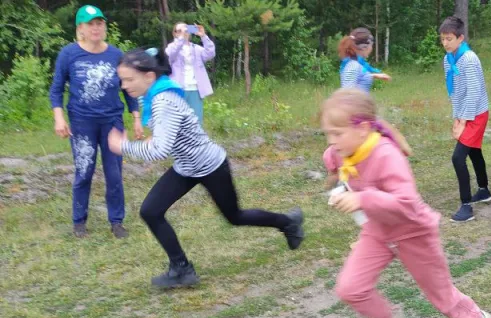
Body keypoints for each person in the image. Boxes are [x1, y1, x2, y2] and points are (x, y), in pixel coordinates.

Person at [107, 48, 304, 288]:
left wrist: (122, 146)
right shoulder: (152, 93)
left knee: (235, 216)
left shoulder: (163, 100)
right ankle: (181, 268)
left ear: (149, 76)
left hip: (210, 165)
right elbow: (167, 133)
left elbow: (159, 151)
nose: (124, 85)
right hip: (186, 167)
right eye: (122, 80)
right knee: (151, 211)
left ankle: (288, 223)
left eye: (129, 79)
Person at [320, 88, 491, 318]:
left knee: (443, 298)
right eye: (328, 134)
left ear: (363, 129)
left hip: (414, 233)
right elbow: (331, 161)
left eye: (337, 133)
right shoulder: (340, 150)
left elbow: (406, 202)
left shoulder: (386, 155)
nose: (332, 141)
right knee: (349, 287)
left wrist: (362, 198)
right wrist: (336, 184)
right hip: (379, 231)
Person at [49, 5, 141, 239]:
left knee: (114, 174)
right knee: (84, 172)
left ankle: (117, 221)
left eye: (99, 23)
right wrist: (59, 118)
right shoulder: (69, 54)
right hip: (82, 123)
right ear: (80, 28)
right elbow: (56, 89)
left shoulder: (116, 55)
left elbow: (128, 88)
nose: (95, 28)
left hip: (112, 122)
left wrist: (136, 118)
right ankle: (79, 222)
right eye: (90, 24)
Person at [439, 16, 491, 223]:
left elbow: (474, 93)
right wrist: (456, 118)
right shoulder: (448, 59)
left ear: (460, 38)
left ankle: (466, 206)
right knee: (473, 151)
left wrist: (463, 121)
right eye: (442, 39)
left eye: (449, 39)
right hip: (463, 113)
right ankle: (484, 190)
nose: (445, 43)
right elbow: (453, 91)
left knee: (458, 157)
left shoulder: (469, 58)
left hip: (477, 113)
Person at [166, 22, 216, 124]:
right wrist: (181, 39)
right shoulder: (171, 47)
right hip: (178, 89)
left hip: (195, 89)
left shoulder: (196, 48)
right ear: (174, 34)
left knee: (196, 121)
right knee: (177, 121)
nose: (183, 33)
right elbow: (171, 55)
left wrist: (203, 36)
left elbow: (210, 53)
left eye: (185, 30)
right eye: (179, 31)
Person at [338, 28, 392, 93]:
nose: (371, 49)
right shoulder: (353, 65)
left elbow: (359, 77)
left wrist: (374, 75)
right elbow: (347, 92)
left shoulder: (356, 64)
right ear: (364, 47)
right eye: (371, 45)